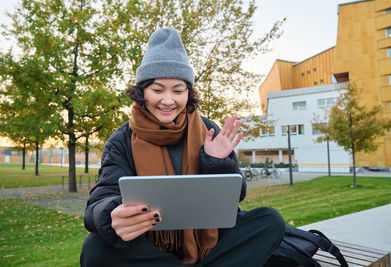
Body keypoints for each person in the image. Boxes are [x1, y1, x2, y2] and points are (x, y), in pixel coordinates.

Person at [80, 28, 285, 267]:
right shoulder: (122, 139)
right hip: (148, 243)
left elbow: (235, 196)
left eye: (178, 90)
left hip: (208, 237)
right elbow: (101, 199)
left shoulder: (208, 130)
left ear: (189, 92)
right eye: (157, 90)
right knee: (94, 249)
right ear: (142, 92)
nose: (168, 100)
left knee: (270, 221)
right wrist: (111, 214)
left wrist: (217, 162)